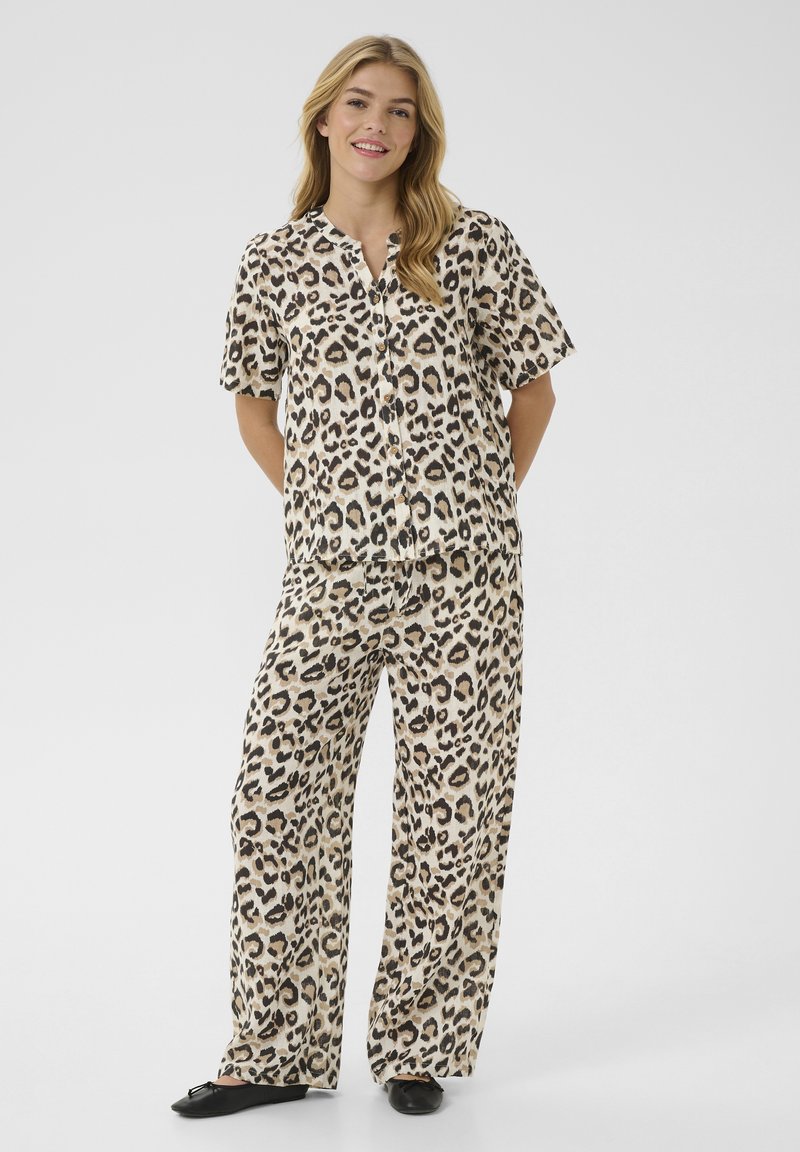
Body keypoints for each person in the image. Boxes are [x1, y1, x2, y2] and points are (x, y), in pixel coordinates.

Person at [171, 32, 575, 1120]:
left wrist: (478, 503)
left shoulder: (471, 243)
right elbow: (252, 403)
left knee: (452, 809)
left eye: (399, 110)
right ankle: (275, 1050)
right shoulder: (274, 261)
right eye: (358, 103)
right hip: (328, 575)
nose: (376, 125)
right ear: (322, 117)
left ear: (419, 131)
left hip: (465, 578)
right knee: (277, 795)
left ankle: (418, 1048)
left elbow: (534, 389)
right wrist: (318, 504)